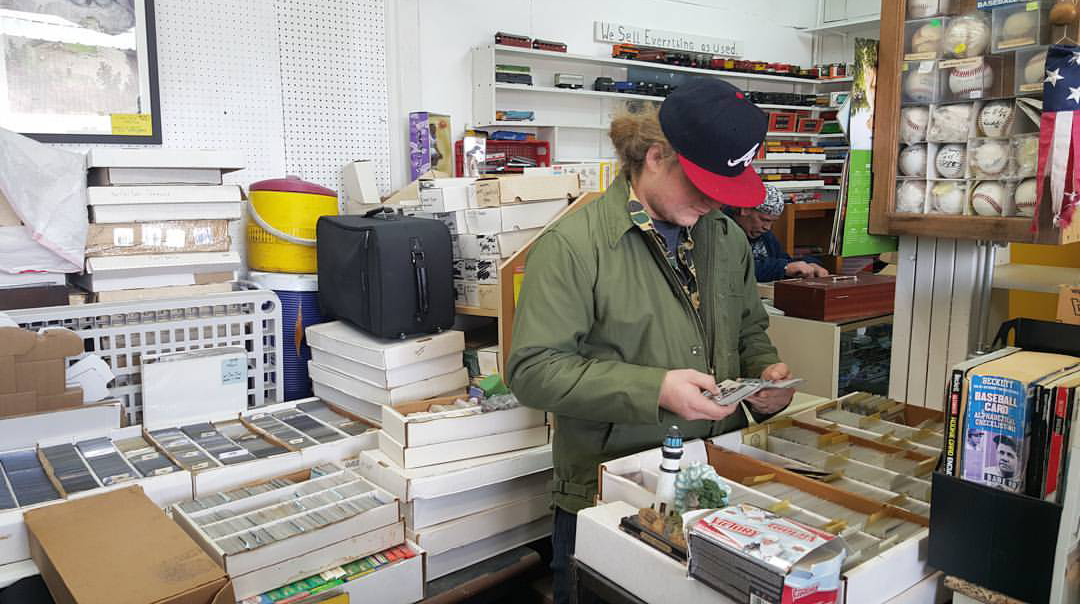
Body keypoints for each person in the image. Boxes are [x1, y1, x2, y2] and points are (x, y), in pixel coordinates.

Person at [506, 78, 795, 603]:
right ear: (657, 156)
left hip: (714, 481)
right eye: (703, 184)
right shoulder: (573, 247)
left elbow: (749, 327)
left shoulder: (725, 238)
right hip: (610, 494)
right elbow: (532, 370)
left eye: (725, 188)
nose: (714, 201)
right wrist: (655, 388)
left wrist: (766, 374)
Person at [726, 185, 829, 282]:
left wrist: (810, 264)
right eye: (764, 220)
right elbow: (734, 269)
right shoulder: (722, 231)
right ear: (745, 209)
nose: (767, 227)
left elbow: (783, 260)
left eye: (772, 222)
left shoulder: (764, 235)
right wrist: (784, 268)